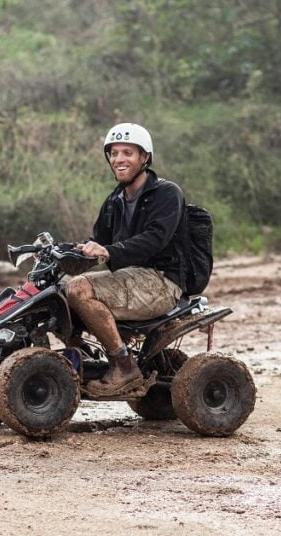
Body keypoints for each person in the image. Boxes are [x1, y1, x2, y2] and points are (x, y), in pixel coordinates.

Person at [66, 123, 186, 397]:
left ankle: (124, 366)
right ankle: (80, 359)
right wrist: (60, 249)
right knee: (56, 291)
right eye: (114, 153)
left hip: (161, 281)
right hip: (129, 278)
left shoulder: (167, 193)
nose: (119, 159)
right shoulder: (115, 200)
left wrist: (110, 251)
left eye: (127, 153)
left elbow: (156, 238)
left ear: (145, 157)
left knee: (78, 289)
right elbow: (97, 240)